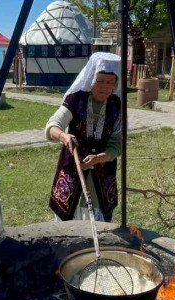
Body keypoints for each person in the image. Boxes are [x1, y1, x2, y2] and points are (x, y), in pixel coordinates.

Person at [46, 52, 122, 222]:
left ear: (115, 84)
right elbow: (52, 126)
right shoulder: (76, 100)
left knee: (98, 213)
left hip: (102, 172)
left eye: (110, 82)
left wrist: (100, 157)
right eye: (100, 81)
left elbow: (117, 143)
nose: (104, 87)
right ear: (91, 79)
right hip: (73, 168)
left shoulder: (116, 106)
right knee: (69, 212)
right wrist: (64, 136)